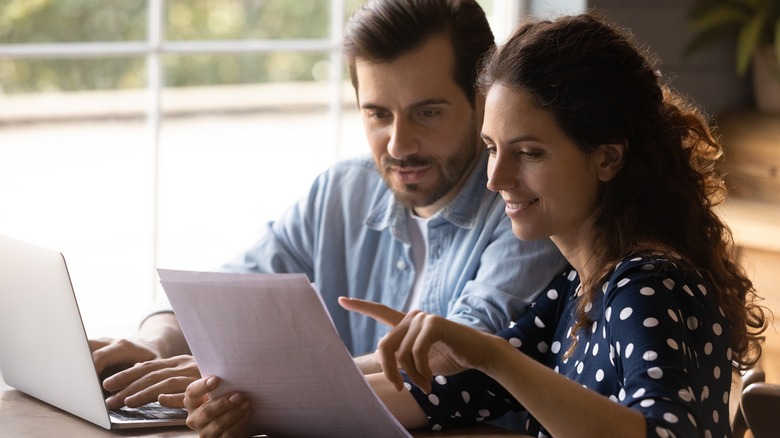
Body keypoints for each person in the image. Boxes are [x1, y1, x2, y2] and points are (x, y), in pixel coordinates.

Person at [183, 13, 769, 438]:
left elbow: (666, 436)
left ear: (608, 157)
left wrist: (492, 357)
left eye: (530, 153)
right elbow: (440, 390)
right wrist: (250, 402)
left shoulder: (649, 283)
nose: (496, 179)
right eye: (491, 148)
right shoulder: (579, 284)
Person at [89, 0, 567, 412]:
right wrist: (153, 346)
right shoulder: (343, 191)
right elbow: (221, 297)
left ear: (482, 102)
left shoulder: (522, 207)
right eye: (378, 114)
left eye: (428, 112)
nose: (399, 145)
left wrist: (256, 382)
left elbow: (453, 352)